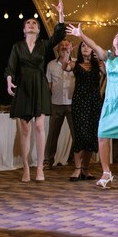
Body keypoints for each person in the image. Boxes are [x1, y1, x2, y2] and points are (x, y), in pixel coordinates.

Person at [66, 23, 118, 189]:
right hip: (110, 103)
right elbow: (94, 45)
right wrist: (80, 34)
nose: (117, 38)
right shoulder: (108, 57)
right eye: (116, 36)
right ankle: (106, 173)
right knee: (102, 135)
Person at [5, 0, 66, 183]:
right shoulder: (17, 46)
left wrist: (61, 14)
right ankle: (26, 168)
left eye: (34, 23)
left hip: (39, 84)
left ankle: (39, 168)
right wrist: (9, 81)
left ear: (38, 30)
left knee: (39, 126)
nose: (31, 24)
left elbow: (59, 35)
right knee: (25, 129)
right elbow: (10, 66)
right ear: (24, 30)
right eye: (28, 23)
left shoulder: (43, 45)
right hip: (23, 85)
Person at [62, 41, 105, 181]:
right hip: (79, 102)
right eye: (83, 46)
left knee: (91, 136)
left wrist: (100, 57)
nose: (85, 48)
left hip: (94, 103)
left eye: (88, 46)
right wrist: (67, 53)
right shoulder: (75, 64)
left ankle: (86, 169)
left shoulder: (97, 65)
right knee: (80, 134)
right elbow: (65, 67)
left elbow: (107, 72)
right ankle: (77, 168)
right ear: (79, 50)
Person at [44, 39, 75, 169]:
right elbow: (49, 85)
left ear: (71, 47)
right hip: (56, 103)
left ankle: (76, 160)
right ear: (57, 49)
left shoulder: (76, 63)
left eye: (66, 45)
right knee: (52, 134)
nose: (63, 47)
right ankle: (48, 161)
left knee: (77, 133)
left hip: (73, 103)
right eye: (61, 45)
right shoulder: (51, 65)